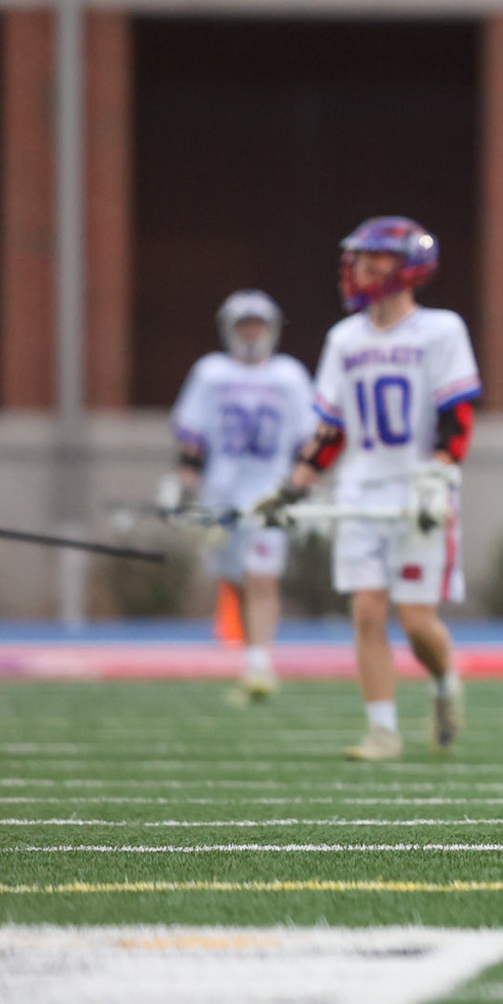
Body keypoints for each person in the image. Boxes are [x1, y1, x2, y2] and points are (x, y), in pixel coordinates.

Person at [255, 218, 479, 762]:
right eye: (356, 258)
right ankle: (383, 730)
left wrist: (439, 471)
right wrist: (294, 486)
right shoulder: (344, 338)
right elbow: (332, 429)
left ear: (407, 268)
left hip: (417, 490)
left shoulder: (440, 330)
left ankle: (446, 681)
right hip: (360, 491)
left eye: (371, 259)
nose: (358, 269)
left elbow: (457, 417)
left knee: (417, 620)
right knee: (366, 612)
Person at [169, 290, 316, 704]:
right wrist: (185, 488)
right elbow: (191, 439)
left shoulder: (290, 375)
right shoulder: (211, 373)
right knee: (234, 577)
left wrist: (303, 486)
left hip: (270, 492)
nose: (251, 333)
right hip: (222, 492)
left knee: (261, 576)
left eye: (257, 325)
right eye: (244, 325)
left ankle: (260, 664)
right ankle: (254, 658)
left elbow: (311, 439)